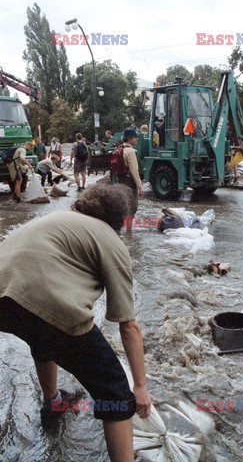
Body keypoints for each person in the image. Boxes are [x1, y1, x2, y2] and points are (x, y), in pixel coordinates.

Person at [0, 184, 151, 462]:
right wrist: (139, 387)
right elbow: (128, 325)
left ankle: (52, 401)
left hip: (3, 297)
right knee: (115, 390)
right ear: (122, 220)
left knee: (42, 334)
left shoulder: (56, 218)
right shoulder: (112, 242)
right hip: (50, 303)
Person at [117, 128, 144, 215]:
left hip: (120, 181)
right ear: (129, 139)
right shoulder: (131, 151)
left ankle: (122, 227)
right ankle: (129, 228)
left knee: (123, 205)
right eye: (135, 137)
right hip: (130, 182)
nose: (137, 139)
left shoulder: (120, 149)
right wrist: (140, 187)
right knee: (132, 208)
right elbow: (134, 171)